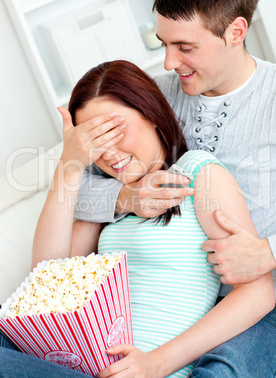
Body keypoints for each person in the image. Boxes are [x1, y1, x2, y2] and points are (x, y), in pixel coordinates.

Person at [1, 60, 274, 378]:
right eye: (95, 141)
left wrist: (157, 362)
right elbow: (44, 286)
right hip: (86, 367)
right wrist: (71, 164)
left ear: (153, 115)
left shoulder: (198, 173)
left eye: (115, 130)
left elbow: (258, 292)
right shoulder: (107, 205)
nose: (109, 152)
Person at [71, 0, 276, 375]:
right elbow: (72, 187)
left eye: (185, 47)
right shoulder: (153, 96)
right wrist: (124, 198)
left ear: (236, 31)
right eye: (164, 44)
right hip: (169, 300)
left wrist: (269, 252)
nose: (168, 62)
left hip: (255, 296)